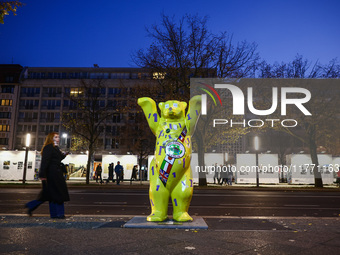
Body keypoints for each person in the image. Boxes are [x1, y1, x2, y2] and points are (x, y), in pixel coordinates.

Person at [25, 132, 70, 219]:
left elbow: (58, 158)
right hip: (52, 174)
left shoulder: (55, 148)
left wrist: (64, 155)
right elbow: (45, 161)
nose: (58, 138)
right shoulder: (49, 148)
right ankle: (59, 214)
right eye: (56, 137)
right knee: (57, 193)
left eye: (58, 137)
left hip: (56, 172)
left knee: (50, 194)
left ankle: (53, 214)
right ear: (51, 138)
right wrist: (42, 174)